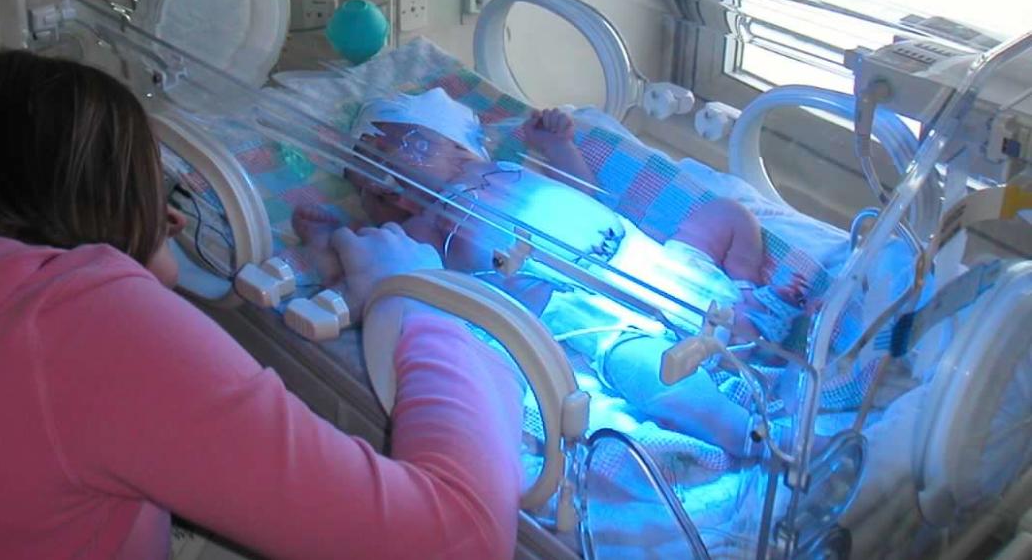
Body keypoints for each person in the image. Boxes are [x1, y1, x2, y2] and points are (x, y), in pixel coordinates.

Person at [0, 52, 524, 560]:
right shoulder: (71, 321)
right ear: (62, 203)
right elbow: (452, 540)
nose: (171, 220)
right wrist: (427, 308)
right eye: (150, 195)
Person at [292, 88, 810, 457]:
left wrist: (558, 149)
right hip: (597, 318)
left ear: (459, 147)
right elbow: (373, 269)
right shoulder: (425, 228)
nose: (380, 183)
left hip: (651, 257)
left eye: (397, 152)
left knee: (727, 215)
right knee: (652, 375)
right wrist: (326, 241)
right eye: (365, 183)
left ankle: (745, 297)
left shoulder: (509, 170)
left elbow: (582, 192)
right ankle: (756, 435)